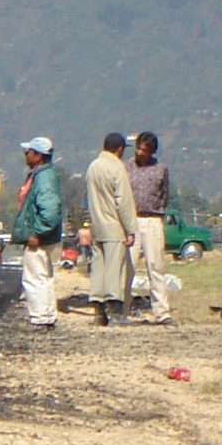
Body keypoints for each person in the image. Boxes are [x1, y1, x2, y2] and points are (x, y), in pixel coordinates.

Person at [9, 137, 63, 329]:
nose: (26, 155)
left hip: (39, 238)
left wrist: (37, 232)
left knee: (34, 277)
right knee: (44, 275)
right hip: (43, 236)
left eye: (29, 152)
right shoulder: (42, 175)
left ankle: (40, 316)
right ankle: (47, 315)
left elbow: (49, 210)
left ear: (38, 155)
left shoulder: (43, 178)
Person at [85, 132, 138, 326]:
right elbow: (123, 201)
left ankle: (99, 311)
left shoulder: (93, 166)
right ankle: (116, 312)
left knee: (98, 268)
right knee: (115, 269)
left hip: (97, 224)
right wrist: (130, 228)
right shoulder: (117, 167)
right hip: (113, 225)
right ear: (120, 149)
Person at [125, 131, 174, 324]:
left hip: (153, 219)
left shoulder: (161, 169)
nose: (139, 152)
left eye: (144, 150)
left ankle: (162, 311)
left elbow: (165, 194)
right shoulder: (126, 167)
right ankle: (122, 308)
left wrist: (158, 211)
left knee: (156, 266)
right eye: (138, 148)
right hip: (131, 219)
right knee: (128, 265)